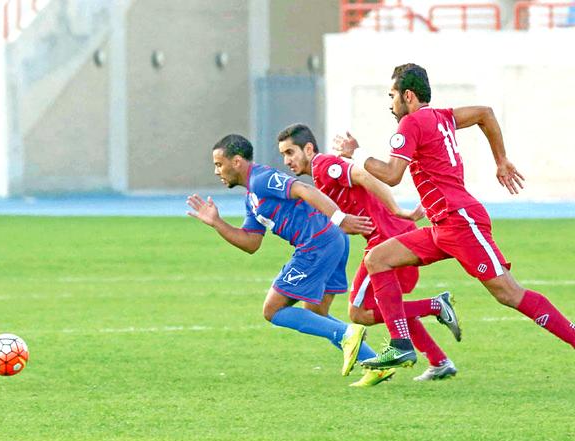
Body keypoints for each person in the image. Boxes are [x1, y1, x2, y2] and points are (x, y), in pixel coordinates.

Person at [334, 63, 575, 369]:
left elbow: (392, 175)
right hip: (441, 225)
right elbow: (484, 113)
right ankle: (401, 344)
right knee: (377, 259)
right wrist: (500, 160)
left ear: (408, 95)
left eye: (392, 95)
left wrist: (356, 153)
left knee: (509, 293)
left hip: (460, 221)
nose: (390, 103)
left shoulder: (410, 124)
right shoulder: (442, 117)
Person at [187, 134, 394, 386]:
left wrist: (339, 218)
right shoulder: (251, 197)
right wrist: (217, 223)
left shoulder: (261, 178)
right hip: (332, 241)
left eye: (219, 164)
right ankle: (375, 364)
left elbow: (303, 189)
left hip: (317, 243)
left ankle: (346, 333)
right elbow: (251, 242)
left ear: (237, 161)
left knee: (272, 310)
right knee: (316, 313)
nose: (217, 171)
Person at [277, 123, 461, 382]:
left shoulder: (322, 165)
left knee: (359, 312)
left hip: (386, 240)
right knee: (390, 305)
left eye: (290, 152)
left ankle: (435, 305)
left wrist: (396, 208)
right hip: (393, 235)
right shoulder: (320, 177)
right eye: (283, 155)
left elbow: (364, 175)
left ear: (308, 149)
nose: (286, 160)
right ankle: (439, 361)